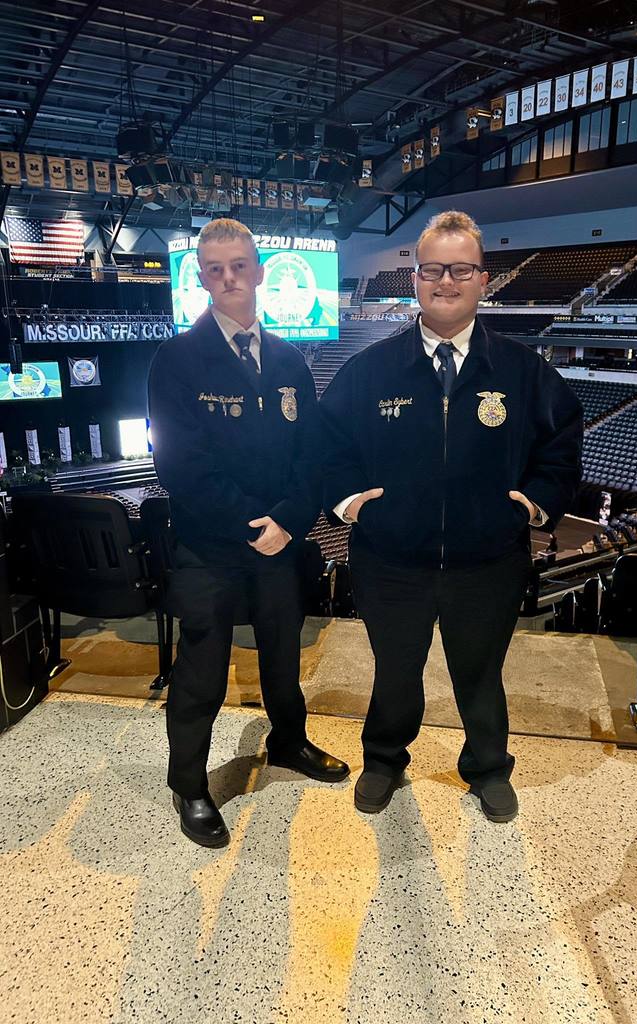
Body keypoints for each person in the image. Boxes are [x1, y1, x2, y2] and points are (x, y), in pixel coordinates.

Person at [319, 211, 583, 822]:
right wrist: (349, 503)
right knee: (395, 674)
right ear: (414, 279)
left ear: (483, 279)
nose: (446, 281)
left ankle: (488, 767)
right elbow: (328, 451)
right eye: (433, 269)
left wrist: (536, 502)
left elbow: (562, 447)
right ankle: (384, 759)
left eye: (460, 269)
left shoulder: (523, 370)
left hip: (488, 562)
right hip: (391, 561)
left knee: (481, 674)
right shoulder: (369, 370)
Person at [148, 218, 348, 849]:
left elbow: (312, 457)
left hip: (279, 546)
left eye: (239, 265)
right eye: (215, 269)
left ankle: (288, 743)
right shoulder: (176, 359)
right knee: (200, 674)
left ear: (260, 270)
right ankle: (189, 784)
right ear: (202, 278)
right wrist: (249, 525)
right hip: (210, 549)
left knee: (284, 663)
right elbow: (181, 466)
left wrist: (288, 522)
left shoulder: (290, 359)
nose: (229, 278)